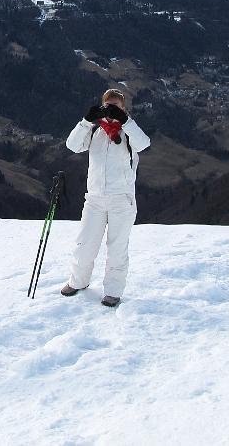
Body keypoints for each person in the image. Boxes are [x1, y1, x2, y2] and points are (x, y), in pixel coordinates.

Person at [61, 88, 151, 307]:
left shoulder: (129, 132)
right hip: (94, 199)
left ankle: (112, 290)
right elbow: (72, 145)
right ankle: (78, 281)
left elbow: (144, 143)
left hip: (122, 199)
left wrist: (126, 121)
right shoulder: (95, 132)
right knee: (85, 243)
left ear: (123, 108)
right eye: (108, 105)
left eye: (116, 106)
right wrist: (86, 121)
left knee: (117, 247)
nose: (112, 110)